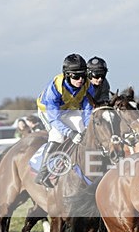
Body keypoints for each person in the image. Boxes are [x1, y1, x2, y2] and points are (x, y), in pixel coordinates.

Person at [35, 53, 96, 187]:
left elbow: (87, 111)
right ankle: (43, 173)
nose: (80, 79)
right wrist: (70, 133)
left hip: (68, 109)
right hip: (48, 112)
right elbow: (55, 119)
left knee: (84, 130)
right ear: (67, 75)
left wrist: (86, 128)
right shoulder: (54, 89)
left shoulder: (87, 85)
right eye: (76, 76)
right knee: (58, 135)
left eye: (83, 75)